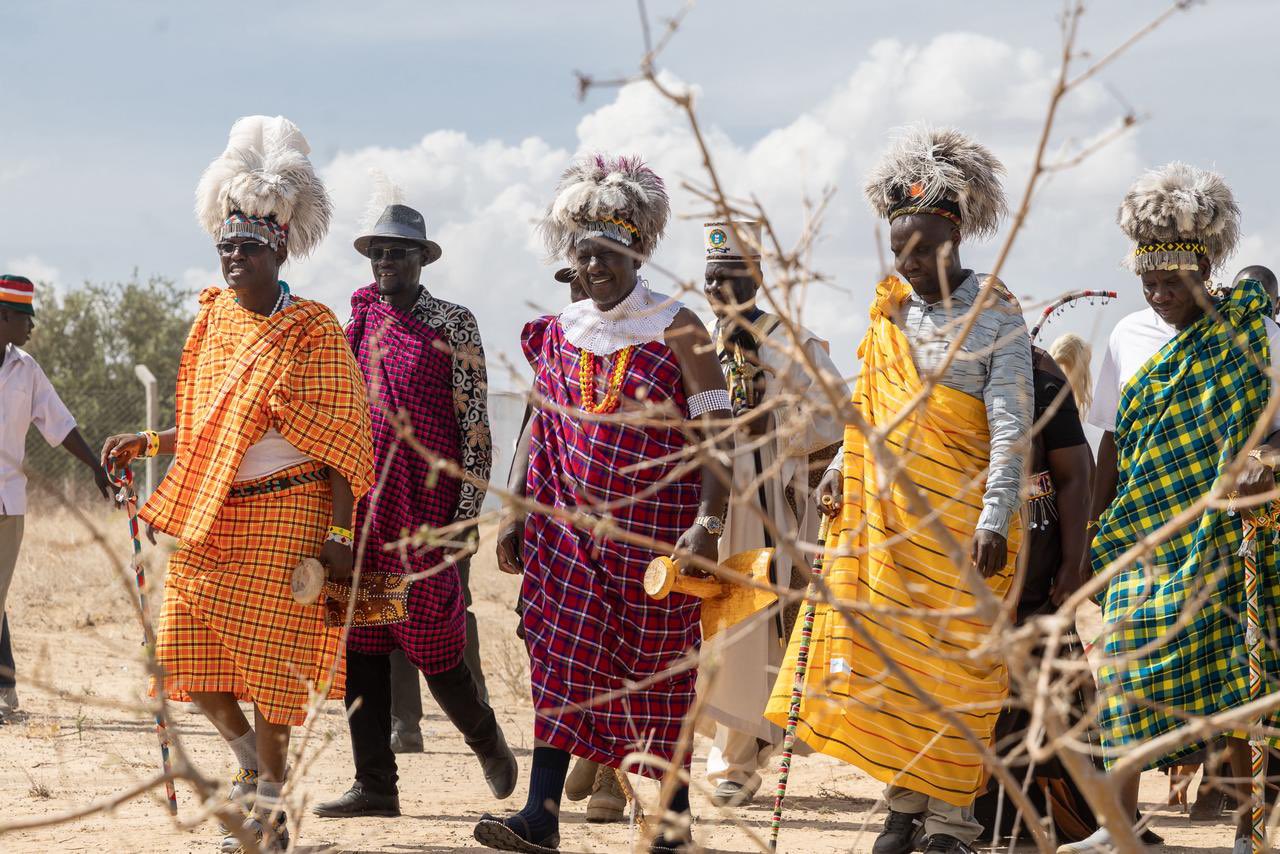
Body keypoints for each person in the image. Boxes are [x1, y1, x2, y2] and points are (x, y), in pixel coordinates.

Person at [102, 116, 375, 853]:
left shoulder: (314, 330)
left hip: (288, 514)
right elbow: (209, 422)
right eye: (225, 245)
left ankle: (269, 813)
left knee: (270, 667)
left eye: (247, 246)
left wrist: (342, 534)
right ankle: (259, 771)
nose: (233, 257)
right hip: (209, 514)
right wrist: (152, 441)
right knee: (186, 654)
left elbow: (348, 442)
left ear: (280, 245)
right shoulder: (211, 322)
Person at [765, 126, 1032, 854]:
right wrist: (835, 477)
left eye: (922, 249)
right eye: (897, 250)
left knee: (957, 665)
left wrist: (994, 513)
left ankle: (951, 818)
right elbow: (866, 417)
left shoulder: (995, 312)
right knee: (897, 664)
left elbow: (1012, 426)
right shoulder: (890, 313)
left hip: (966, 526)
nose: (908, 263)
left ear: (954, 241)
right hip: (888, 528)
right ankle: (905, 801)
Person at [475, 153, 731, 854]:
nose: (596, 270)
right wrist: (517, 508)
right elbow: (541, 423)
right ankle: (540, 813)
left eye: (609, 256)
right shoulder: (562, 331)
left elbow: (717, 437)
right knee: (561, 663)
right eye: (584, 257)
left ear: (635, 252)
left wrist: (709, 522)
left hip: (655, 541)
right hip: (566, 539)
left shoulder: (681, 328)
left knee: (659, 674)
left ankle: (672, 821)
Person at [1063, 163, 1280, 854]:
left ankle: (1251, 825)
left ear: (1206, 271)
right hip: (1146, 536)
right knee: (1124, 665)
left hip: (1233, 532)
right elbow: (1111, 442)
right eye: (1148, 284)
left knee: (1240, 677)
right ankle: (1117, 826)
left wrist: (1264, 460)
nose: (1158, 296)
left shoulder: (1258, 335)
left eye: (1172, 284)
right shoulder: (1128, 336)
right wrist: (1096, 534)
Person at [314, 199, 515, 819]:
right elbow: (342, 424)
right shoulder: (357, 327)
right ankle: (375, 784)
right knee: (364, 648)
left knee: (433, 640)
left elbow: (475, 427)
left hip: (428, 515)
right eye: (377, 251)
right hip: (370, 516)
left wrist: (464, 521)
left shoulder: (454, 323)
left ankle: (484, 736)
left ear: (422, 259)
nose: (385, 261)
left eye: (398, 251)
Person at [697, 220, 845, 807]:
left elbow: (835, 418)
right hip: (699, 509)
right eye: (712, 278)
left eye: (732, 276)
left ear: (756, 278)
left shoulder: (789, 341)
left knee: (751, 627)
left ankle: (735, 762)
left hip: (766, 509)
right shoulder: (689, 341)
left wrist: (773, 426)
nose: (720, 288)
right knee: (703, 632)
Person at [974, 343, 1098, 844]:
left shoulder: (1043, 383)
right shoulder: (942, 378)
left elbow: (1076, 475)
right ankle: (968, 810)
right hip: (961, 564)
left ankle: (1054, 812)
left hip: (1037, 560)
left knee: (1044, 679)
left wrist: (1072, 562)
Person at [0, 273, 110, 715]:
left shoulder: (26, 369)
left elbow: (59, 425)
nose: (32, 325)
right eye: (25, 317)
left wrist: (95, 467)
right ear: (4, 316)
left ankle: (5, 692)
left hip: (8, 505)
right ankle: (6, 692)